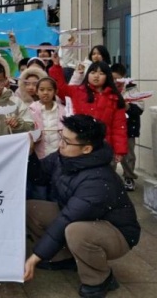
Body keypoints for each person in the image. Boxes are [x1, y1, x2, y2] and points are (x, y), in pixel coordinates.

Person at [24, 115, 140, 298]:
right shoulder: (63, 157)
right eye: (61, 137)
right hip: (79, 218)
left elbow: (66, 220)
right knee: (31, 209)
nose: (61, 144)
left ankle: (100, 278)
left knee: (76, 231)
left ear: (87, 148)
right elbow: (39, 176)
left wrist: (34, 258)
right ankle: (63, 257)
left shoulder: (97, 179)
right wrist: (31, 153)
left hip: (117, 232)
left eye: (66, 141)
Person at [49, 54, 127, 162]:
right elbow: (60, 88)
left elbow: (119, 127)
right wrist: (56, 66)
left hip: (103, 146)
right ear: (87, 74)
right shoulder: (77, 91)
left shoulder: (114, 98)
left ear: (107, 76)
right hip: (79, 145)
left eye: (101, 73)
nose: (96, 76)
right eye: (93, 72)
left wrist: (119, 151)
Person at [111, 63, 144, 191]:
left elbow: (140, 109)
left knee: (128, 155)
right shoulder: (107, 89)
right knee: (111, 155)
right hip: (112, 128)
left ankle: (129, 177)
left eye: (118, 79)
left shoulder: (132, 89)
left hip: (128, 129)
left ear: (124, 77)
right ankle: (110, 179)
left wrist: (128, 107)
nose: (115, 82)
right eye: (113, 78)